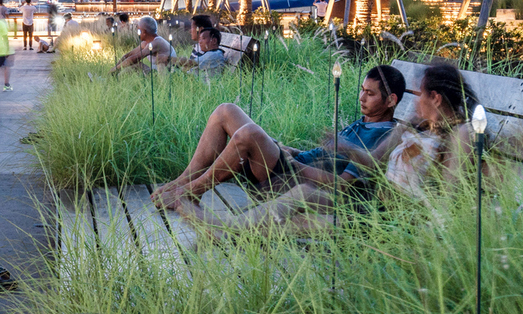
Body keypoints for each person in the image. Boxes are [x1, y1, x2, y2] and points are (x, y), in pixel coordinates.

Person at [173, 62, 479, 234]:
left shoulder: (461, 134)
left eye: (420, 95)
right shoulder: (413, 125)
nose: (415, 102)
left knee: (303, 220)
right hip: (368, 208)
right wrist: (343, 147)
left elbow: (448, 199)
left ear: (436, 98)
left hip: (382, 217)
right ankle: (224, 225)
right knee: (302, 199)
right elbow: (372, 162)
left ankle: (219, 225)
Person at [152, 64, 407, 209]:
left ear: (391, 100)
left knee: (248, 134)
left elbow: (342, 183)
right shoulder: (362, 123)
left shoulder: (382, 137)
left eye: (370, 93)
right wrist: (291, 151)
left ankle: (192, 191)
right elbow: (322, 156)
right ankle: (183, 180)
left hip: (294, 180)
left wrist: (294, 164)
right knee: (226, 111)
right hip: (291, 164)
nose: (361, 97)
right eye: (362, 90)